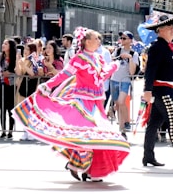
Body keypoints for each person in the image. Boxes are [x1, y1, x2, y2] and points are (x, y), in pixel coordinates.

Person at [12, 27, 129, 182]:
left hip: (96, 103)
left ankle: (89, 169)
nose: (99, 41)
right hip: (82, 103)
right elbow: (65, 74)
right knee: (88, 134)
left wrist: (115, 64)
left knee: (98, 136)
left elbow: (102, 76)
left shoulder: (98, 58)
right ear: (88, 41)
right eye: (97, 38)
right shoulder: (79, 58)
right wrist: (48, 86)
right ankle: (79, 165)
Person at [142, 15, 173, 166]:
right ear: (160, 30)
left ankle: (148, 156)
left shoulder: (168, 47)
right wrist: (147, 90)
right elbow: (150, 70)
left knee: (154, 123)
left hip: (167, 90)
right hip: (163, 91)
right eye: (169, 28)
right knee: (172, 122)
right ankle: (148, 155)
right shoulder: (157, 47)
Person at [110, 31, 139, 140]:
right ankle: (123, 127)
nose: (122, 40)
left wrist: (129, 58)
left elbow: (132, 72)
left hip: (125, 81)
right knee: (118, 105)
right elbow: (111, 65)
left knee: (122, 102)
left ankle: (124, 126)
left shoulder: (133, 54)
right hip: (114, 80)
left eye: (125, 38)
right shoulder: (117, 51)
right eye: (121, 38)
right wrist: (116, 58)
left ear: (130, 40)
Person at [0, 39, 17, 139]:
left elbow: (18, 71)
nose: (3, 45)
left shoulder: (16, 57)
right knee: (2, 108)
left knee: (11, 109)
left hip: (12, 85)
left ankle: (10, 131)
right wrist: (0, 75)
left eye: (6, 44)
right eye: (3, 43)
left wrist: (10, 73)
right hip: (1, 84)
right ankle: (3, 130)